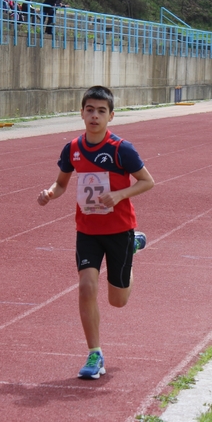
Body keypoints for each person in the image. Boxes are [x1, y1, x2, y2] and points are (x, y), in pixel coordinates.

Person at [37, 85, 155, 380]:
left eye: (101, 111)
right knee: (86, 287)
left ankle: (133, 248)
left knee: (118, 301)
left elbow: (147, 181)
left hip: (119, 230)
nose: (94, 115)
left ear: (111, 116)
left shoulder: (121, 149)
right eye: (89, 109)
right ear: (81, 113)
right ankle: (94, 353)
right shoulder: (73, 149)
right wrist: (51, 192)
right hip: (87, 230)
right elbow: (62, 183)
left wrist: (119, 195)